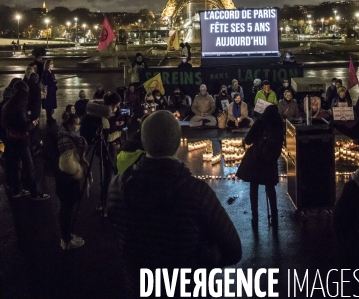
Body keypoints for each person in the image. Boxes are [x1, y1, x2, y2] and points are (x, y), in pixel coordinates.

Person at [108, 111, 242, 298]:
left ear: (143, 142)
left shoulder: (117, 187)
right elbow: (233, 249)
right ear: (178, 143)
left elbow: (117, 235)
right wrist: (202, 260)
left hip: (137, 287)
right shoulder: (195, 191)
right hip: (186, 288)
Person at [237, 104, 284, 228]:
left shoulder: (260, 123)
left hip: (256, 159)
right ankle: (274, 216)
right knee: (270, 188)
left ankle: (255, 216)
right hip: (270, 161)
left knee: (254, 187)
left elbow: (248, 140)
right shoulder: (279, 125)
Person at [2, 81, 49, 200]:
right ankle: (35, 193)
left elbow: (5, 122)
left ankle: (17, 190)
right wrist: (32, 123)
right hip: (22, 141)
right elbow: (24, 126)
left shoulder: (8, 105)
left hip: (11, 139)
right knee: (29, 167)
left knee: (16, 166)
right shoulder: (20, 108)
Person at [57, 113, 88, 249]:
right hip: (66, 179)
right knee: (67, 209)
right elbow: (67, 163)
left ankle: (67, 235)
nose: (78, 126)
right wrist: (78, 170)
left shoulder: (68, 136)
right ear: (70, 125)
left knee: (67, 208)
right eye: (77, 123)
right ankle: (66, 239)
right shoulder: (65, 140)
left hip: (65, 179)